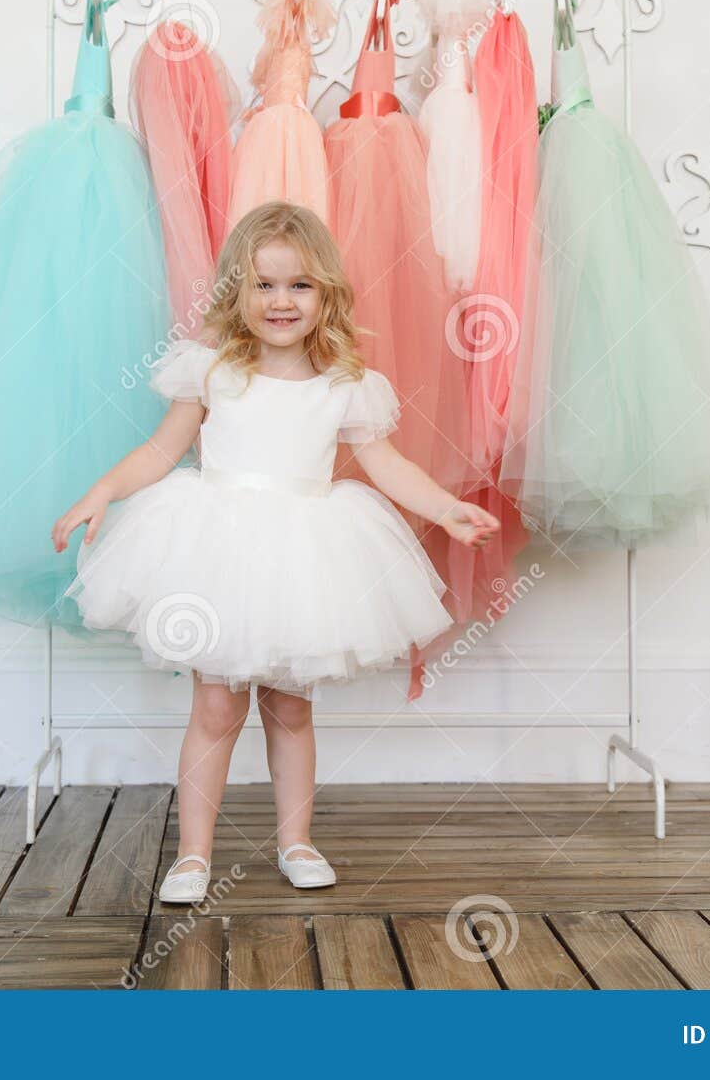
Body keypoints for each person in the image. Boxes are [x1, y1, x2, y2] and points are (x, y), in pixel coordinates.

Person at [52, 201, 500, 903]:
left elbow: (385, 465)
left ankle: (297, 840)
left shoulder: (343, 381)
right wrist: (103, 489)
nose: (281, 300)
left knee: (291, 709)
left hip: (304, 560)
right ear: (237, 289)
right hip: (218, 552)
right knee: (214, 708)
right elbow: (163, 450)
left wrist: (444, 507)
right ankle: (194, 855)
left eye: (299, 285)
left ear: (326, 293)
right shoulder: (213, 370)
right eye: (264, 284)